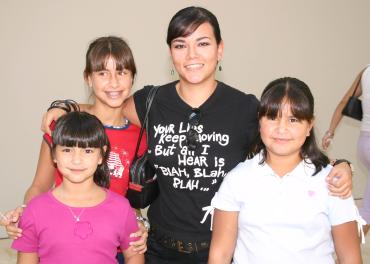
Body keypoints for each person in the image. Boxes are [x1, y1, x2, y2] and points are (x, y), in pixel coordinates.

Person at [38, 6, 353, 263]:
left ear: (220, 49)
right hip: (158, 250)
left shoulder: (244, 108)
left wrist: (338, 165)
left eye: (203, 43)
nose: (192, 55)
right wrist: (63, 108)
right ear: (171, 53)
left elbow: (284, 138)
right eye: (180, 45)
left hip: (220, 250)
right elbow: (104, 106)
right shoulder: (151, 101)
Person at [0, 36, 148, 262]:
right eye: (102, 73)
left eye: (122, 72)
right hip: (61, 242)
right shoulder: (65, 127)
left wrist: (141, 224)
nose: (114, 82)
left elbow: (133, 202)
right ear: (88, 78)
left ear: (132, 77)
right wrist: (25, 214)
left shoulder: (140, 137)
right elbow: (39, 186)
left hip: (113, 250)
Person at [209, 77, 363, 264]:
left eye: (293, 119)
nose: (281, 129)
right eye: (272, 117)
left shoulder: (333, 182)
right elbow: (220, 256)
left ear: (309, 126)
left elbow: (350, 259)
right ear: (259, 121)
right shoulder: (237, 179)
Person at [11, 111, 144, 264]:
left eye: (88, 151)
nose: (76, 160)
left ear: (102, 155)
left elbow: (134, 256)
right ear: (54, 154)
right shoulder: (34, 209)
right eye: (67, 150)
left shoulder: (121, 207)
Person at [322, 65, 370, 234]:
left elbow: (344, 102)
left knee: (368, 209)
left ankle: (346, 254)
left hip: (364, 144)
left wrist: (330, 132)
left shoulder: (366, 71)